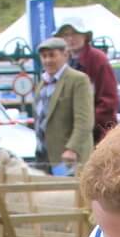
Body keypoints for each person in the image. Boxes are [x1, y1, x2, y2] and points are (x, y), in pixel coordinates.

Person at [34, 36, 94, 172]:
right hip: (44, 156)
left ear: (65, 55)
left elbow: (84, 121)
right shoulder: (42, 83)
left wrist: (72, 149)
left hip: (68, 158)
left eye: (52, 55)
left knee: (69, 187)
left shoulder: (78, 80)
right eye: (44, 56)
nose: (47, 60)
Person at [57, 21, 119, 145]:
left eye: (75, 34)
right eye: (66, 35)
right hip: (69, 137)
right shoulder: (62, 61)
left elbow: (108, 101)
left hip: (97, 136)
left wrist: (84, 125)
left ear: (85, 36)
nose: (70, 39)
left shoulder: (98, 59)